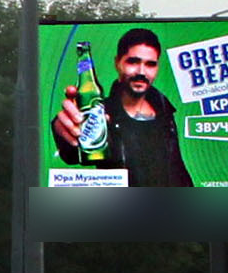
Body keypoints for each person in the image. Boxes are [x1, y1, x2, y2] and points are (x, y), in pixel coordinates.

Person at [52, 26, 193, 188]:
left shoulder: (165, 111)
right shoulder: (100, 114)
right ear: (117, 63)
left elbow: (178, 171)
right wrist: (63, 128)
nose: (141, 72)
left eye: (150, 64)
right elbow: (71, 154)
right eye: (133, 61)